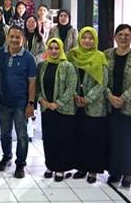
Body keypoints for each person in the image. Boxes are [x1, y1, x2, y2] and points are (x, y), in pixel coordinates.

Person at [104, 24, 131, 187]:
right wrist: (109, 96)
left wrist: (123, 98)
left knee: (130, 141)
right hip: (110, 104)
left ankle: (128, 173)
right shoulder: (107, 55)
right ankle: (114, 171)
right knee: (114, 139)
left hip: (130, 106)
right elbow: (102, 78)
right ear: (115, 37)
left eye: (127, 35)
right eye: (120, 34)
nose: (123, 37)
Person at [0, 26, 37, 178]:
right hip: (3, 101)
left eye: (17, 37)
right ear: (7, 37)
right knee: (4, 133)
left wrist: (31, 104)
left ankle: (21, 164)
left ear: (23, 39)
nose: (14, 40)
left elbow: (32, 82)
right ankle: (7, 156)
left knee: (21, 135)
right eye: (11, 36)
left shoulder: (29, 58)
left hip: (21, 103)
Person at [67, 27, 109, 184]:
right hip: (75, 103)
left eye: (91, 38)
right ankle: (81, 167)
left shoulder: (100, 57)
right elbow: (67, 77)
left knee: (94, 138)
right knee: (79, 136)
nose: (87, 41)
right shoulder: (73, 55)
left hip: (95, 105)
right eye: (84, 37)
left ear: (95, 40)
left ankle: (93, 170)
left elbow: (103, 82)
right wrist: (74, 96)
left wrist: (88, 98)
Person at [36, 38, 77, 182]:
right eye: (51, 48)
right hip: (47, 109)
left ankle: (61, 168)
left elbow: (71, 87)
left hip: (63, 110)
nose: (53, 51)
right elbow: (38, 87)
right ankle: (50, 165)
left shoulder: (68, 66)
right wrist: (42, 100)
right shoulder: (43, 65)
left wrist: (57, 103)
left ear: (61, 49)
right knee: (49, 138)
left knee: (62, 139)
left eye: (56, 48)